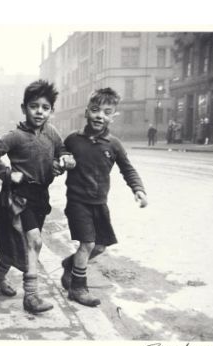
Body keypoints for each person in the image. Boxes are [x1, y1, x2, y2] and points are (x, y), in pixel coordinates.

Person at [0, 80, 75, 314]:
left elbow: (61, 151)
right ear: (24, 108)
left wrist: (62, 162)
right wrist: (7, 173)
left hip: (40, 196)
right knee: (34, 242)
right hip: (18, 197)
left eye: (45, 107)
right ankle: (31, 296)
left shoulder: (51, 132)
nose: (39, 111)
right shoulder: (15, 136)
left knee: (20, 246)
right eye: (34, 106)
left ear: (51, 111)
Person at [60, 88, 148, 307]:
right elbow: (57, 159)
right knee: (87, 244)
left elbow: (128, 170)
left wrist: (138, 189)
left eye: (107, 112)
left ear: (113, 116)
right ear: (87, 111)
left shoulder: (113, 144)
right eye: (96, 110)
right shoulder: (73, 140)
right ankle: (78, 288)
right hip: (77, 202)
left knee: (100, 247)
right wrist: (62, 161)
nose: (100, 115)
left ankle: (69, 265)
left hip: (99, 203)